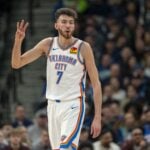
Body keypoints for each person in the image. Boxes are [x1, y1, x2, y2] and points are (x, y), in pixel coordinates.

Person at [11, 7, 102, 150]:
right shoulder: (48, 44)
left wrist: (97, 117)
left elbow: (96, 84)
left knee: (65, 147)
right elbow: (17, 63)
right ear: (56, 25)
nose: (68, 25)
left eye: (71, 22)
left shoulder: (83, 47)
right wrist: (18, 41)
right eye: (64, 22)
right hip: (52, 105)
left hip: (73, 104)